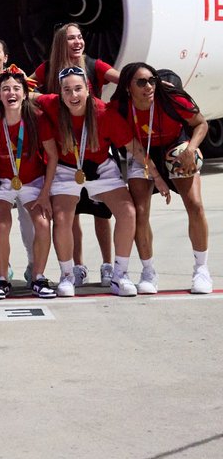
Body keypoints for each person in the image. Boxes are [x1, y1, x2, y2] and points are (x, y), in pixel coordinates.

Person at [35, 66, 157, 297]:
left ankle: (120, 274)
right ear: (60, 93)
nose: (73, 95)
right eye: (67, 90)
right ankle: (68, 275)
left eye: (78, 89)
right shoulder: (51, 104)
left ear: (88, 89)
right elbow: (29, 94)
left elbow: (134, 148)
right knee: (62, 218)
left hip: (101, 168)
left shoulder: (103, 112)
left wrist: (157, 178)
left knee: (128, 212)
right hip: (65, 169)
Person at [107, 62, 212, 294]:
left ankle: (201, 270)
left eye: (152, 80)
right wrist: (158, 178)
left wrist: (191, 149)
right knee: (140, 212)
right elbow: (133, 148)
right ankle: (148, 271)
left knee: (195, 205)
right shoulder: (119, 108)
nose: (149, 86)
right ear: (127, 87)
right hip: (140, 153)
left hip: (175, 147)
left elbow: (201, 123)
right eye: (141, 82)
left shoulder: (171, 98)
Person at [34, 22, 119, 287]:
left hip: (93, 148)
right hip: (65, 150)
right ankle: (78, 266)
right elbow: (26, 86)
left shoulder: (95, 65)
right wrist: (45, 107)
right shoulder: (47, 68)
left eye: (80, 37)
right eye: (72, 38)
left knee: (102, 214)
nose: (77, 42)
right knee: (71, 216)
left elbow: (123, 79)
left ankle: (107, 264)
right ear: (62, 42)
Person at [0, 65, 55, 298]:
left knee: (42, 224)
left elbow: (53, 156)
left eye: (16, 88)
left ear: (25, 93)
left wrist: (45, 192)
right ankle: (2, 278)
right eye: (6, 88)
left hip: (32, 181)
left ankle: (38, 277)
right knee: (1, 225)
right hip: (0, 181)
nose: (11, 93)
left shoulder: (36, 117)